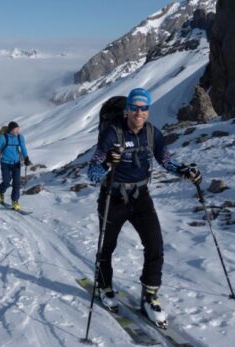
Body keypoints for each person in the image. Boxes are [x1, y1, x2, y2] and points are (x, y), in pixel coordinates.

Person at [87, 87, 201, 325]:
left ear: (148, 110)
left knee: (155, 245)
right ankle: (105, 287)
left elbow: (166, 160)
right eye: (134, 108)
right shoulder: (112, 134)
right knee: (107, 247)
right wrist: (107, 163)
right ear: (128, 109)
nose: (139, 113)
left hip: (141, 197)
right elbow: (93, 173)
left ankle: (149, 296)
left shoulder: (152, 134)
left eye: (143, 108)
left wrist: (184, 171)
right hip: (113, 197)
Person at [0, 121, 31, 211]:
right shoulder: (3, 138)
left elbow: (23, 148)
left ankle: (15, 201)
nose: (18, 130)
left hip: (16, 163)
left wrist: (26, 158)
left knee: (16, 183)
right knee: (6, 182)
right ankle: (1, 191)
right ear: (11, 129)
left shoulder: (20, 137)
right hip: (5, 163)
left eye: (18, 129)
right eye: (16, 129)